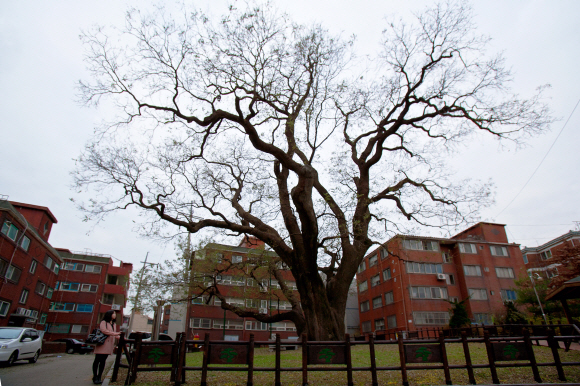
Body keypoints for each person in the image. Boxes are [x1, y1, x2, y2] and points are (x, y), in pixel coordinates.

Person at [92, 310, 121, 384]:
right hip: (102, 344)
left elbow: (112, 334)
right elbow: (104, 331)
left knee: (103, 361)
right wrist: (116, 333)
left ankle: (99, 376)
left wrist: (120, 337)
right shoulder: (104, 322)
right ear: (109, 314)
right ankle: (95, 376)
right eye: (113, 313)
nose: (115, 315)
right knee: (97, 360)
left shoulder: (113, 324)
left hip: (109, 345)